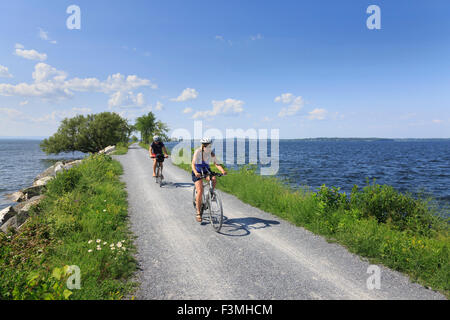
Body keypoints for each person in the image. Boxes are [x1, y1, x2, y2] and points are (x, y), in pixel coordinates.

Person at [192, 137, 226, 222]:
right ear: (203, 145)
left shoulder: (211, 152)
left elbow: (216, 163)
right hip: (198, 171)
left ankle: (211, 193)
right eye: (206, 145)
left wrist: (222, 170)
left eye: (209, 145)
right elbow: (192, 164)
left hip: (206, 170)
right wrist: (196, 172)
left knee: (213, 178)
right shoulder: (198, 152)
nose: (208, 147)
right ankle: (199, 212)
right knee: (200, 190)